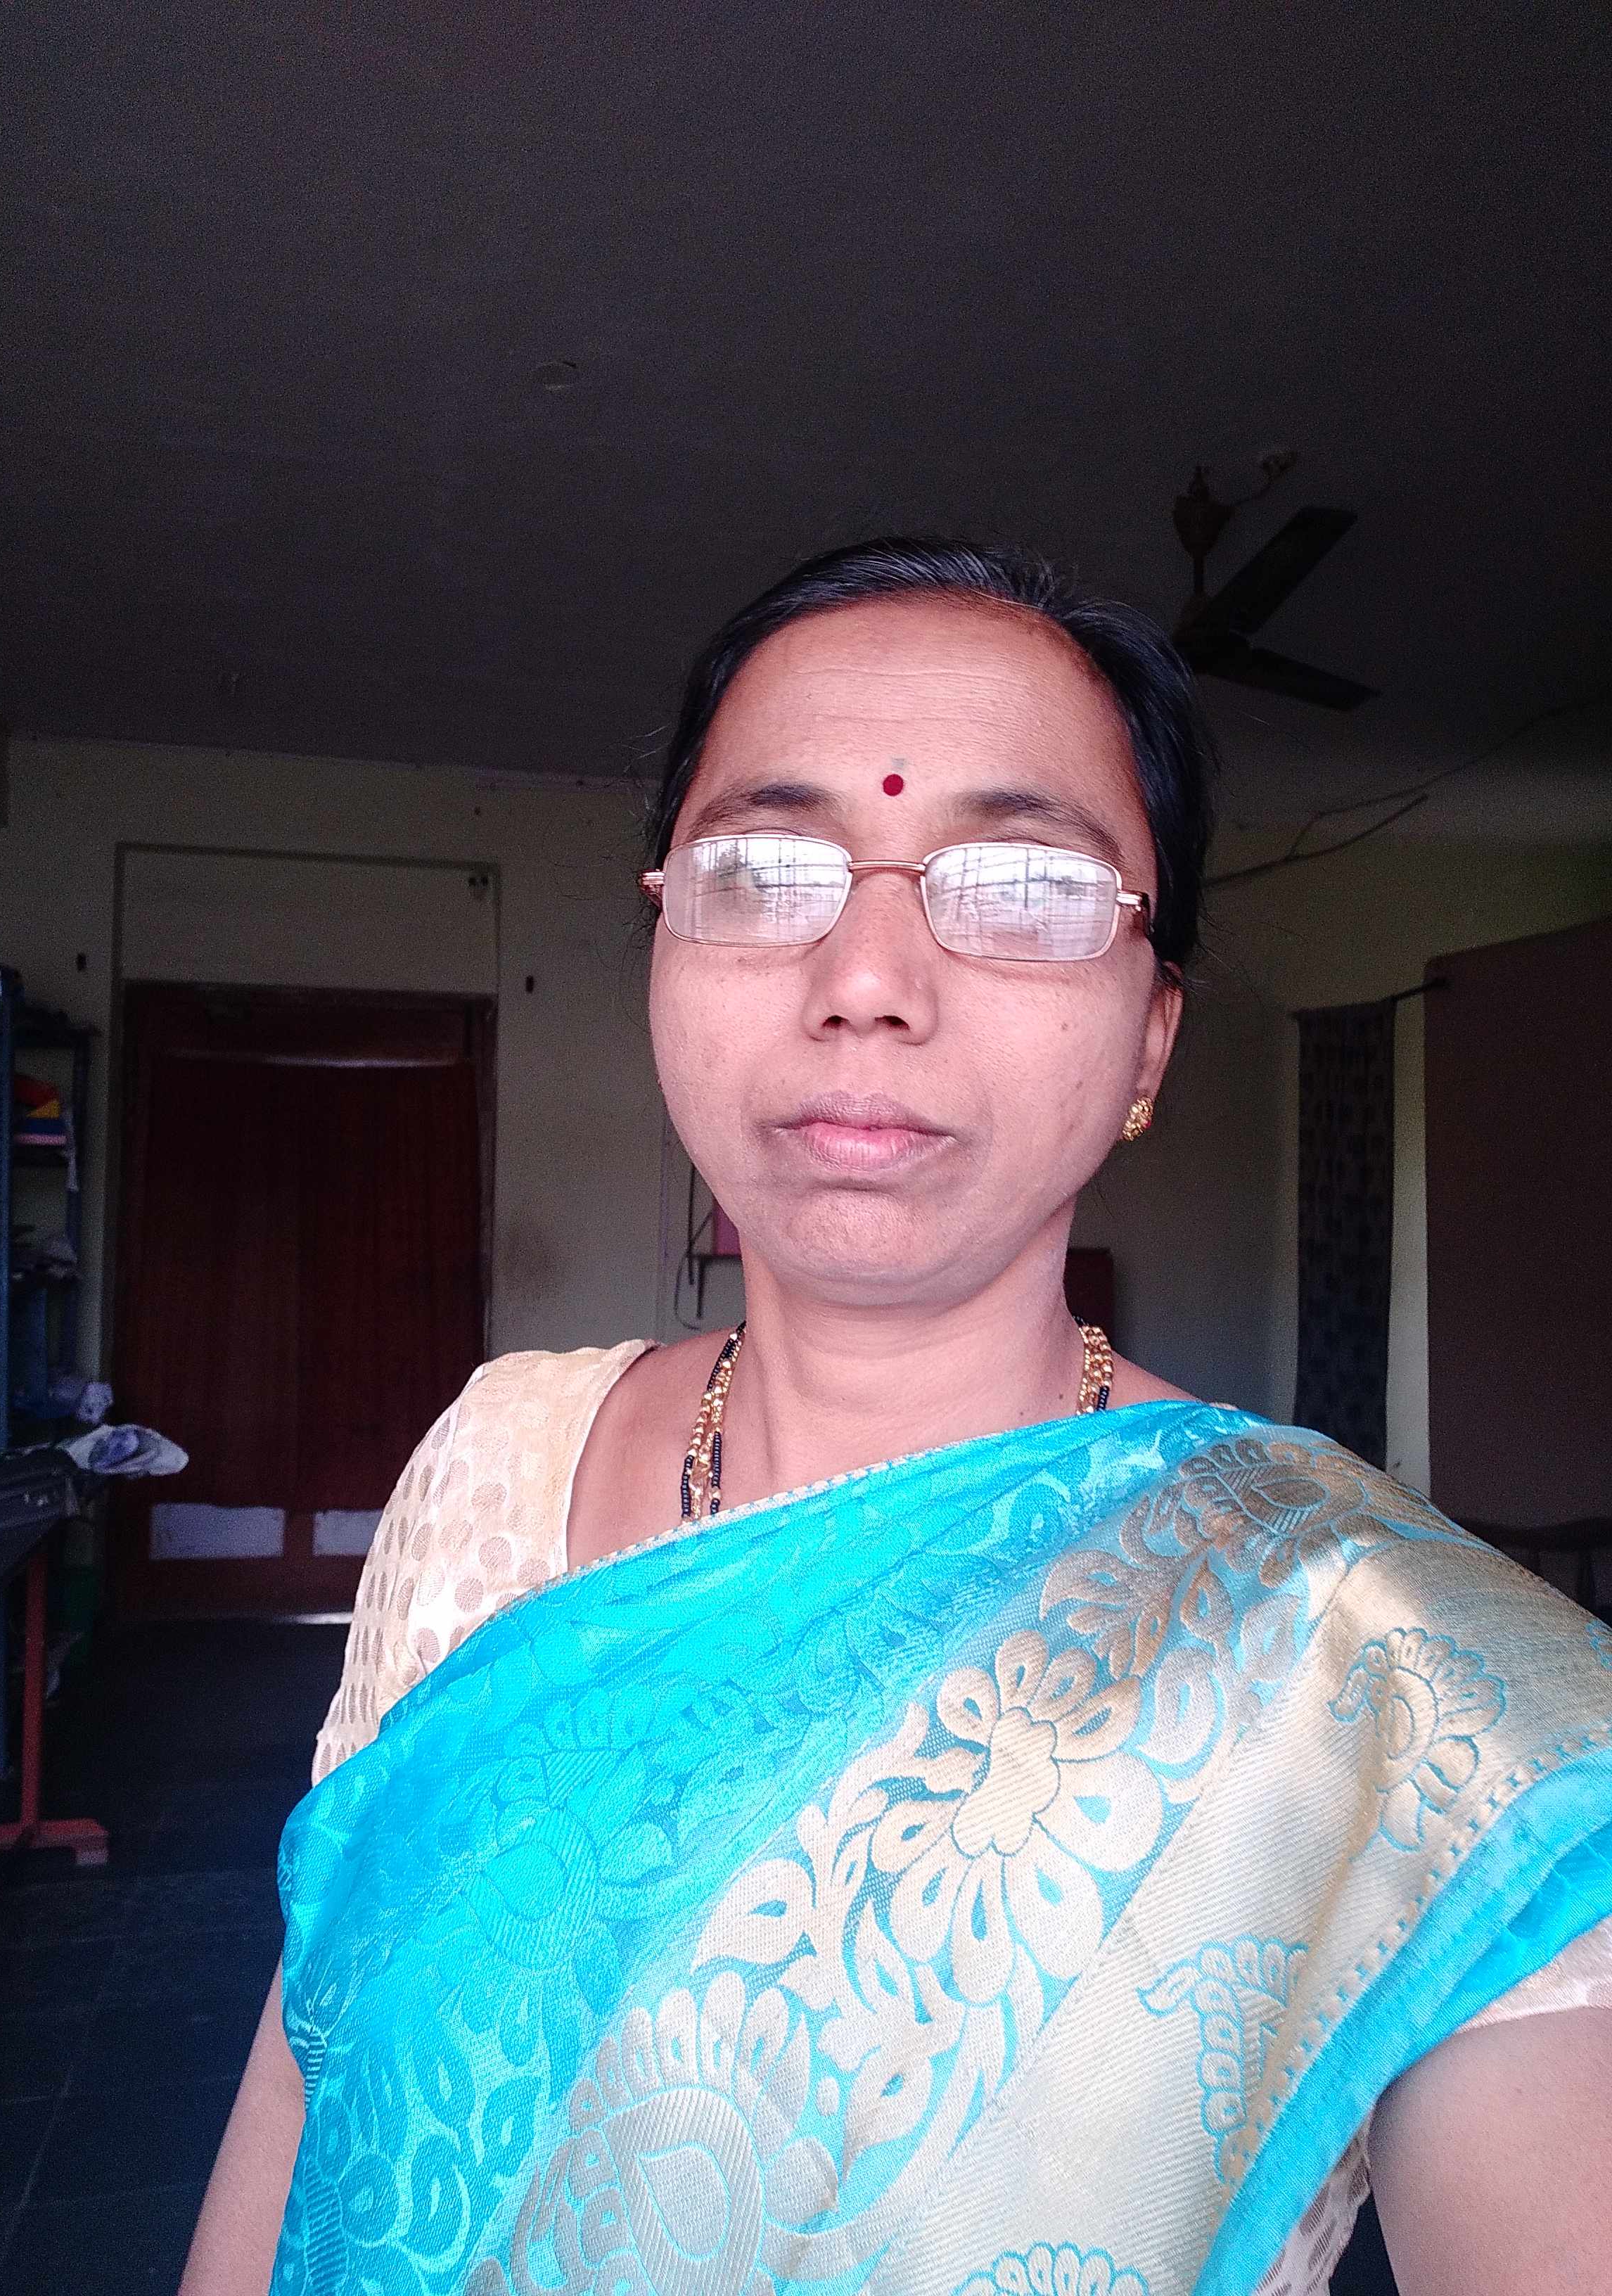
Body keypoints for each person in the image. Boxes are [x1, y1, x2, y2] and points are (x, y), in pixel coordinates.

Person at [181, 540, 1612, 2296]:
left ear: (1151, 1042)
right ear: (662, 944)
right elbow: (311, 2054)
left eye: (1025, 886)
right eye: (763, 869)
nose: (866, 979)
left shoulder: (1379, 1675)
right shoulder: (497, 1454)